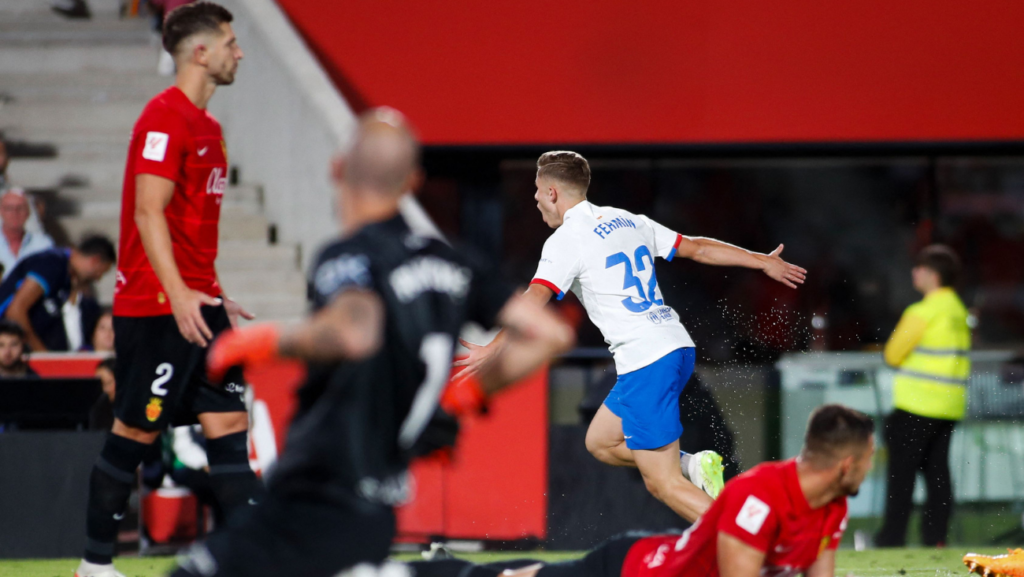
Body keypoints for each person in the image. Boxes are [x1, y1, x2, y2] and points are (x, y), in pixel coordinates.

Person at [169, 108, 575, 577]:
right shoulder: (457, 263)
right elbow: (551, 334)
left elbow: (353, 330)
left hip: (312, 501)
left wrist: (264, 341)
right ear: (413, 182)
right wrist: (468, 392)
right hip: (376, 512)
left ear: (336, 169)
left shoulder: (348, 255)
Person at [458, 151, 807, 522]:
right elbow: (698, 247)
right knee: (601, 442)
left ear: (553, 192)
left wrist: (493, 350)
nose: (534, 198)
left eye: (537, 191)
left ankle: (756, 544)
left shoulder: (566, 240)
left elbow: (533, 302)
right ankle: (693, 465)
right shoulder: (627, 220)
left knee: (663, 484)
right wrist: (761, 260)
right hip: (674, 345)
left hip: (646, 358)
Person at [75, 4, 254, 577]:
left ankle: (251, 564)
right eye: (229, 41)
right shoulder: (164, 118)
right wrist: (179, 294)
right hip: (157, 308)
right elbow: (148, 212)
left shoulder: (211, 129)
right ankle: (94, 566)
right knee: (136, 428)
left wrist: (211, 292)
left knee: (230, 426)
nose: (238, 51)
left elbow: (188, 230)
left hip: (199, 304)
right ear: (200, 52)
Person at [410, 404, 874, 577]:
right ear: (846, 465)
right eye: (869, 460)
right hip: (633, 569)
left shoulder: (831, 507)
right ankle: (429, 571)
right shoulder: (762, 496)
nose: (870, 469)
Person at [875, 244, 970, 548]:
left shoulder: (923, 311)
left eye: (919, 268)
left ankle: (892, 540)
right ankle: (936, 539)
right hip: (949, 406)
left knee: (900, 479)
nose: (914, 273)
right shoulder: (957, 310)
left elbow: (892, 354)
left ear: (932, 275)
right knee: (938, 476)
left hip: (916, 404)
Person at [0, 237, 116, 352]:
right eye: (101, 272)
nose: (98, 278)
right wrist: (42, 355)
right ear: (95, 260)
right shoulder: (52, 264)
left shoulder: (66, 272)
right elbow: (15, 311)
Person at [0, 189, 55, 279]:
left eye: (20, 208)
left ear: (28, 212)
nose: (15, 213)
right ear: (1, 211)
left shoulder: (43, 244)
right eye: (9, 208)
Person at [90, 358, 117, 431]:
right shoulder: (98, 409)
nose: (104, 390)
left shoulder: (131, 408)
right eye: (99, 385)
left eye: (108, 383)